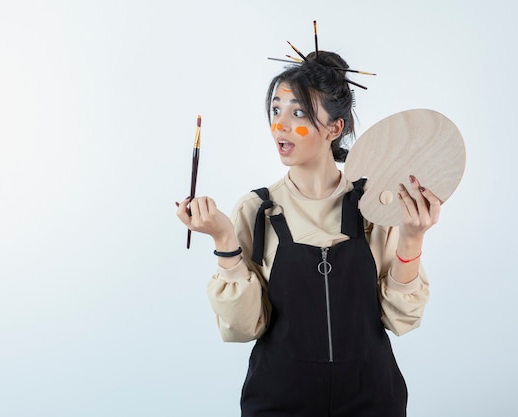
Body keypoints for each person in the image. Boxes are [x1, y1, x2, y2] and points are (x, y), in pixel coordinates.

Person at [176, 50, 440, 416]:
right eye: (275, 110)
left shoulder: (377, 206)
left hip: (372, 399)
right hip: (277, 402)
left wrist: (412, 237)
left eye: (297, 112)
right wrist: (224, 241)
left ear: (336, 128)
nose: (280, 125)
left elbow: (402, 319)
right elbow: (243, 327)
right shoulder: (256, 211)